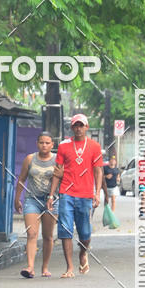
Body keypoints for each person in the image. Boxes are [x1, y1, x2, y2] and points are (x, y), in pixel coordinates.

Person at [47, 114, 103, 277]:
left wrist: (97, 193)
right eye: (75, 126)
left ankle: (82, 253)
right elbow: (57, 172)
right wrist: (51, 196)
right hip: (66, 193)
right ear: (72, 128)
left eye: (81, 125)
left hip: (85, 194)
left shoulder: (94, 146)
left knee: (85, 232)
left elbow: (98, 171)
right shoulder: (64, 146)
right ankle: (69, 268)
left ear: (86, 127)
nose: (78, 128)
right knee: (65, 229)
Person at [14, 132, 58, 277]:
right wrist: (17, 198)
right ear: (37, 143)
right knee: (31, 233)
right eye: (41, 142)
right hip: (32, 200)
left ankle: (45, 267)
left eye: (47, 143)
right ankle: (30, 267)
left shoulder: (57, 160)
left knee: (47, 236)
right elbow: (22, 178)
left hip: (50, 201)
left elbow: (62, 179)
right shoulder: (30, 159)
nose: (44, 145)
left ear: (52, 145)